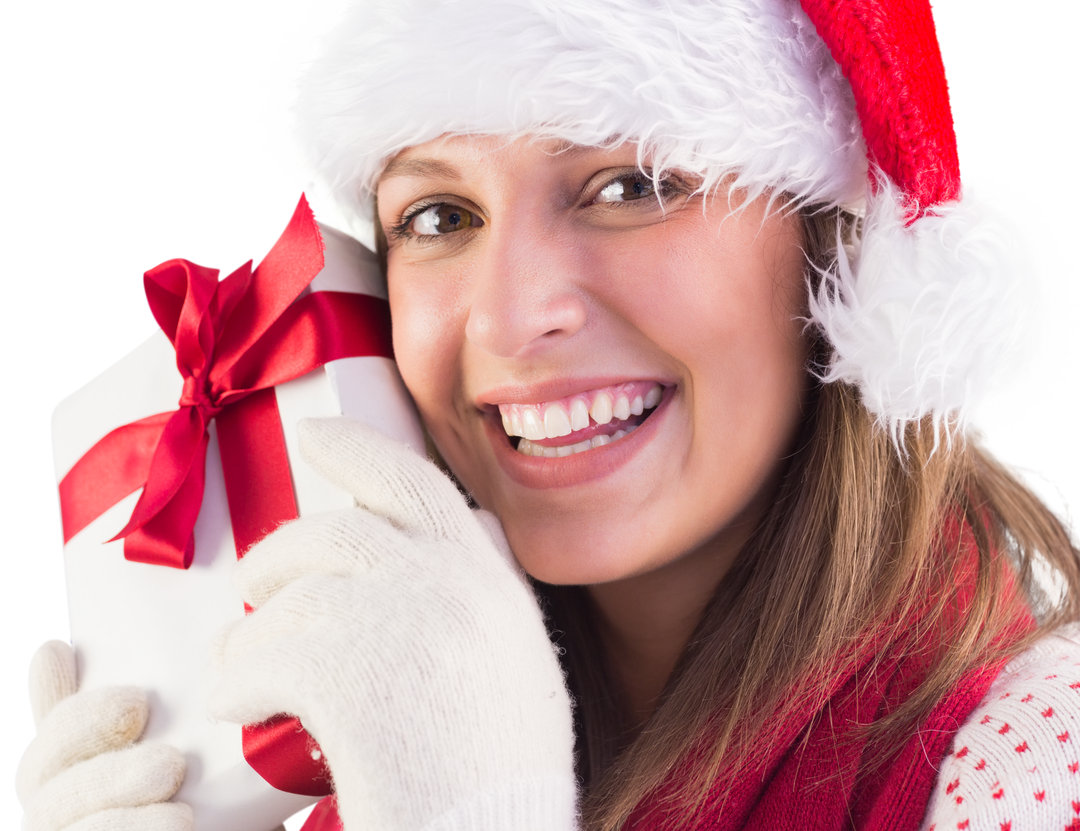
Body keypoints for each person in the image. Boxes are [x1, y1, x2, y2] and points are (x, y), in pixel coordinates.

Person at [14, 0, 1080, 829]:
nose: (513, 317)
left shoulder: (1038, 762)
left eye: (629, 185)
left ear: (834, 253)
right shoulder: (353, 748)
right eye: (439, 215)